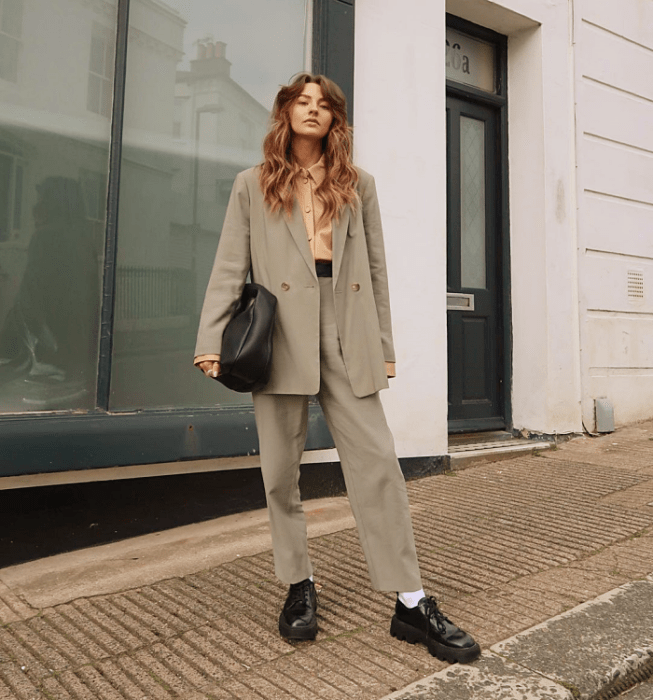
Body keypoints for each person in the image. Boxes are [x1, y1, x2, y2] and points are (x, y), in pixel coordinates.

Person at [194, 73, 480, 664]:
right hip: (278, 334)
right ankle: (299, 586)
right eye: (302, 101)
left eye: (323, 105)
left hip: (345, 331)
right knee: (280, 472)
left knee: (378, 465)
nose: (312, 110)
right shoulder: (253, 184)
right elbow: (229, 265)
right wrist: (211, 337)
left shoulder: (357, 184)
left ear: (334, 121)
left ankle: (411, 601)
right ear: (285, 112)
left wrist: (385, 345)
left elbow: (375, 269)